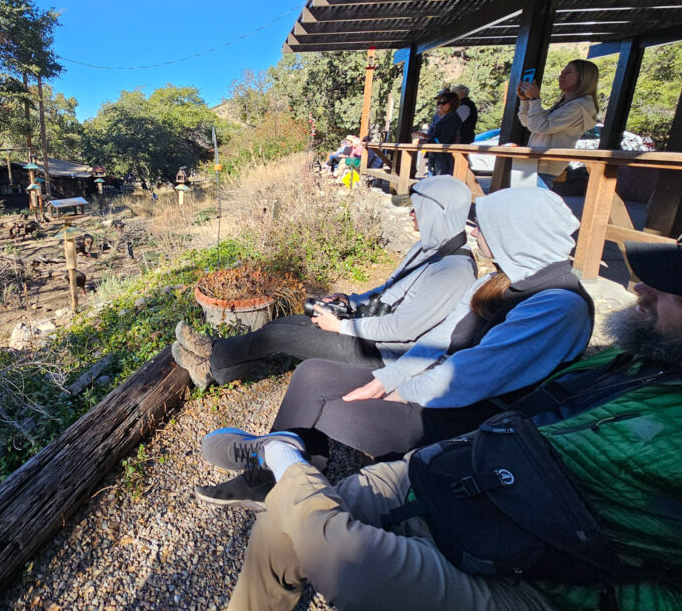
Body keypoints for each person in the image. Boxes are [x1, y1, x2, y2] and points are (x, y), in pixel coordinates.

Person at [199, 240, 682, 611]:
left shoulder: (554, 305)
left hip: (545, 571)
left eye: (666, 287)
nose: (638, 287)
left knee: (338, 551)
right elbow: (525, 411)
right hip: (490, 474)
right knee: (279, 527)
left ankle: (281, 460)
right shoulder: (633, 363)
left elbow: (475, 376)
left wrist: (389, 374)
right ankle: (280, 466)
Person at [195, 187, 593, 508]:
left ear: (515, 232)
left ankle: (275, 477)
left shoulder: (557, 305)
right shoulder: (502, 281)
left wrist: (405, 391)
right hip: (435, 388)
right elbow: (438, 338)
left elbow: (475, 374)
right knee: (311, 372)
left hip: (464, 422)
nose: (474, 231)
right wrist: (389, 379)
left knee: (327, 406)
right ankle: (281, 474)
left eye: (484, 225)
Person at [172, 176, 477, 389]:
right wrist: (349, 301)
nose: (411, 214)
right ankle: (216, 354)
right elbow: (388, 290)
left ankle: (208, 366)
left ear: (438, 212)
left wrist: (341, 326)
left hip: (378, 353)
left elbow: (401, 330)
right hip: (366, 328)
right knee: (282, 325)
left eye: (417, 207)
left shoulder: (455, 272)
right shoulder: (427, 247)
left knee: (279, 338)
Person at [516, 59, 600, 188]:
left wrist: (535, 98)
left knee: (533, 205)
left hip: (545, 166)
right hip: (535, 164)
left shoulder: (578, 107)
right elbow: (528, 122)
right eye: (562, 72)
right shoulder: (566, 104)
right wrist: (526, 101)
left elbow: (539, 126)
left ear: (583, 78)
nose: (561, 76)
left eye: (568, 72)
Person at [419, 91, 461, 176]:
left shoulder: (453, 118)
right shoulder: (437, 116)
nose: (440, 105)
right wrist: (424, 137)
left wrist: (428, 140)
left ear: (452, 103)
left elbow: (443, 139)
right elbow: (433, 134)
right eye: (438, 103)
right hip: (434, 152)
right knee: (432, 177)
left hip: (444, 153)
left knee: (441, 178)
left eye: (444, 102)